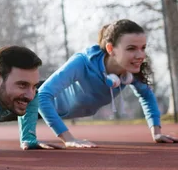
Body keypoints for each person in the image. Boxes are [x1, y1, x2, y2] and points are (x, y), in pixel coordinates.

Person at [23, 19, 178, 148]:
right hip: (29, 98)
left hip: (49, 107)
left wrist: (156, 131)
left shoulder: (131, 69)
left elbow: (147, 95)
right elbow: (42, 95)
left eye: (143, 48)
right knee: (2, 106)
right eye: (131, 48)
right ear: (111, 48)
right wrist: (68, 138)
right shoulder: (82, 62)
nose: (140, 55)